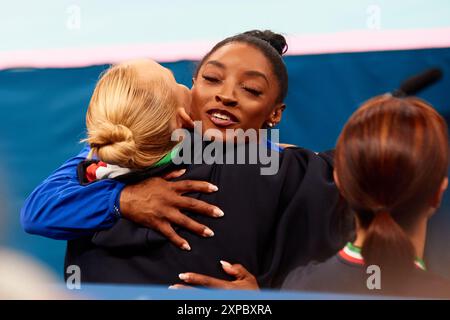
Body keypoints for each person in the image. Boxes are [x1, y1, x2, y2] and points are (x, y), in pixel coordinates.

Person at [21, 30, 352, 287]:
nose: (226, 95)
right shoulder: (108, 158)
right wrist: (122, 199)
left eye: (250, 89)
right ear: (189, 94)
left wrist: (262, 298)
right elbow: (35, 213)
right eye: (211, 79)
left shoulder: (285, 169)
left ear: (275, 114)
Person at [279, 95, 450, 298]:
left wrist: (257, 300)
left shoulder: (299, 287)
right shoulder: (441, 292)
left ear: (340, 183)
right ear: (438, 193)